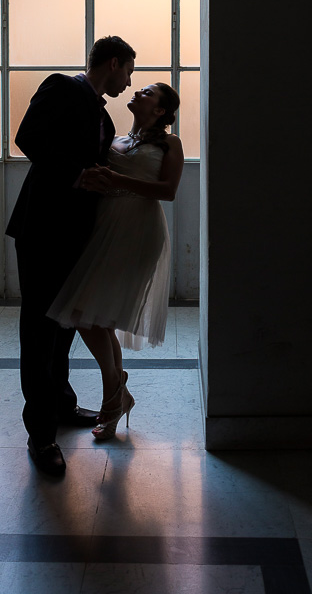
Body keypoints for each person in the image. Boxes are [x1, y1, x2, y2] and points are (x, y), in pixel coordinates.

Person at [6, 35, 136, 475]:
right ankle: (40, 436)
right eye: (128, 71)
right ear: (113, 63)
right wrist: (80, 175)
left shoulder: (103, 115)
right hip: (42, 228)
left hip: (76, 234)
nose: (129, 81)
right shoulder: (62, 87)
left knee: (63, 326)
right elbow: (28, 138)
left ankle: (61, 407)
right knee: (40, 330)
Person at [47, 81, 183, 440]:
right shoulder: (114, 139)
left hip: (138, 231)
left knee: (87, 312)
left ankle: (114, 393)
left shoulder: (170, 143)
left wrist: (117, 178)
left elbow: (168, 191)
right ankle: (116, 392)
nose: (137, 91)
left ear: (160, 110)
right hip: (104, 227)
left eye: (148, 92)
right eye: (139, 87)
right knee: (96, 315)